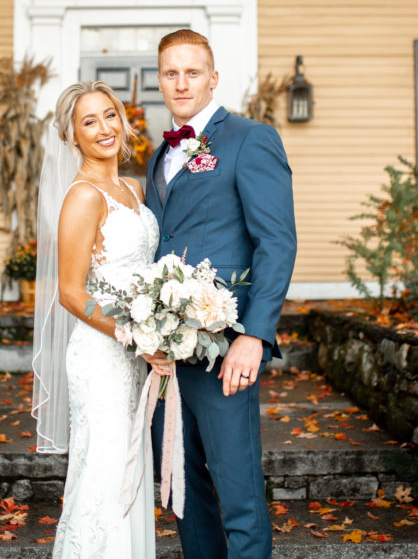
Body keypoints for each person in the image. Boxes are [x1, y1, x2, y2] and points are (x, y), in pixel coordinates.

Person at [146, 29, 296, 559]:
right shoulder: (158, 156)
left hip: (225, 345)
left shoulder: (251, 139)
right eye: (171, 73)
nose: (181, 83)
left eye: (192, 72)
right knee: (183, 492)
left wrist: (255, 335)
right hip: (165, 353)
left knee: (239, 494)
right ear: (159, 81)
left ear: (213, 78)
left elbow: (276, 242)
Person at [31, 81, 170, 558]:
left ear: (123, 120)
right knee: (104, 475)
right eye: (89, 121)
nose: (104, 128)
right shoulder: (83, 196)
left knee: (129, 472)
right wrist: (135, 336)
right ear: (72, 136)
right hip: (102, 355)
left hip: (134, 355)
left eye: (109, 115)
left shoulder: (132, 188)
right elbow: (71, 293)